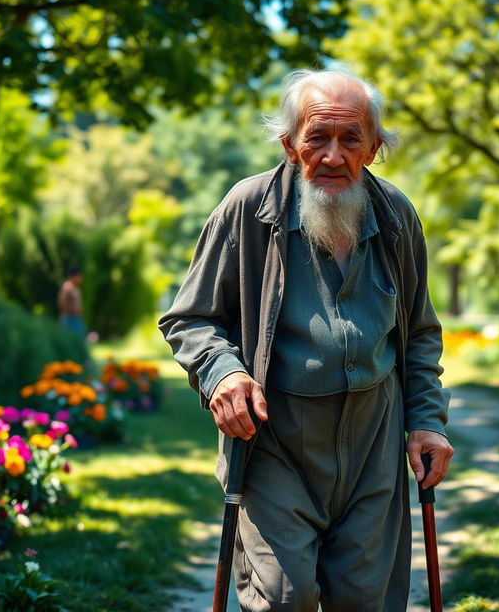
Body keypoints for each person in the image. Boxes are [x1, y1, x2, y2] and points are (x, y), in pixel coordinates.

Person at [159, 68, 454, 611]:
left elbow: (418, 335)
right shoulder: (248, 210)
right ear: (290, 144)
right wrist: (222, 372)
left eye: (352, 138)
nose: (334, 155)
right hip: (277, 443)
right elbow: (190, 318)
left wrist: (427, 421)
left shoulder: (396, 217)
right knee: (281, 597)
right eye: (318, 137)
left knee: (366, 601)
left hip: (374, 444)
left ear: (375, 148)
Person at [57, 267, 86, 337]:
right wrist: (74, 310)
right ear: (74, 276)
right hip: (69, 319)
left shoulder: (75, 287)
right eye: (79, 276)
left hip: (76, 318)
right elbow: (61, 303)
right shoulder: (67, 287)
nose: (81, 278)